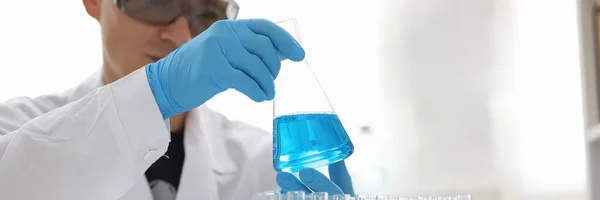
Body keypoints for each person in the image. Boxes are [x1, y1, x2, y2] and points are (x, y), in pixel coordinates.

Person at [0, 0, 355, 199]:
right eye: (155, 3)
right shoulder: (14, 129)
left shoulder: (268, 168)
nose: (181, 36)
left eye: (206, 15)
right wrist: (155, 92)